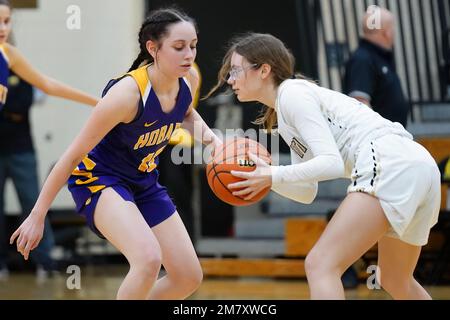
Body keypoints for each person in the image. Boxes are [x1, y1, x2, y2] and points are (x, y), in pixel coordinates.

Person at [207, 33, 441, 300]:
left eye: (236, 70)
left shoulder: (292, 94)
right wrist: (264, 179)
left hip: (389, 161)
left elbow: (330, 164)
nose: (230, 79)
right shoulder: (287, 111)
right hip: (418, 166)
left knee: (320, 265)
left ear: (264, 70)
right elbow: (307, 191)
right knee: (394, 278)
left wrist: (272, 174)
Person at [10, 8, 221, 300]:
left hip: (143, 181)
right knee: (148, 260)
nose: (189, 54)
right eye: (179, 47)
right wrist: (37, 215)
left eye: (193, 46)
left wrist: (212, 140)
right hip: (99, 179)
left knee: (188, 276)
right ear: (153, 48)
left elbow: (186, 112)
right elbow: (71, 156)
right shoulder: (127, 94)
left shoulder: (188, 81)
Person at [0, 0, 97, 277]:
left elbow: (47, 84)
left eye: (7, 21)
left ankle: (44, 262)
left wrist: (97, 101)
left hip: (18, 145)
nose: (3, 27)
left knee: (30, 199)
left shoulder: (8, 55)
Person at [343, 6, 410, 128]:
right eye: (392, 27)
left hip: (391, 139)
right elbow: (360, 103)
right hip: (381, 142)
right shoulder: (362, 59)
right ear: (386, 32)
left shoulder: (376, 57)